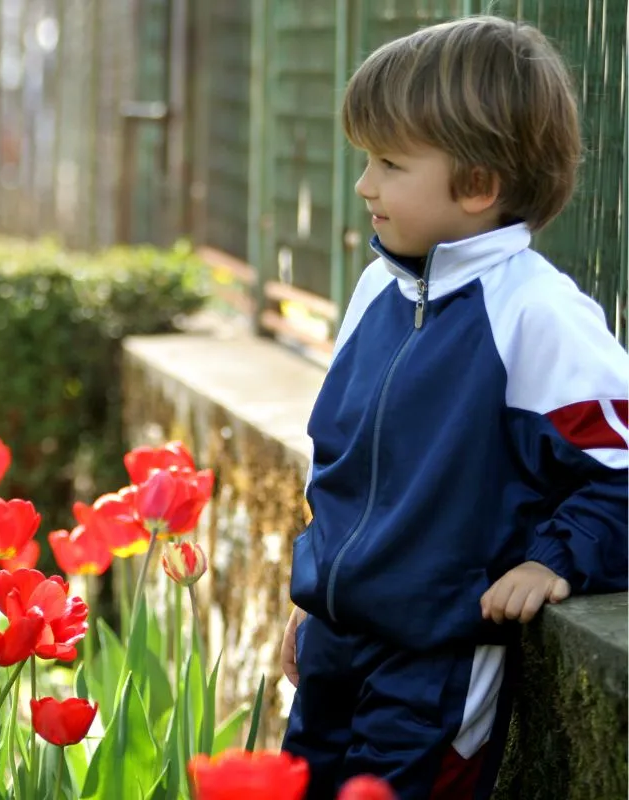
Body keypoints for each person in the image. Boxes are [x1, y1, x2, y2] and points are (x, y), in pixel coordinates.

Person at [279, 16, 629, 800]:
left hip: (435, 666)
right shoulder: (376, 289)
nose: (365, 184)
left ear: (478, 186)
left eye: (390, 162)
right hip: (336, 642)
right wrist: (318, 595)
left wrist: (556, 559)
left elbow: (620, 474)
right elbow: (338, 463)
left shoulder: (538, 316)